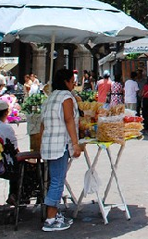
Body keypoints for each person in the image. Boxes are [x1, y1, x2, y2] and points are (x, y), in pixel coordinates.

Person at [40, 68, 82, 231]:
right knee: (57, 181)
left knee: (54, 179)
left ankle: (54, 213)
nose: (74, 83)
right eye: (72, 80)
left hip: (48, 144)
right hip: (59, 144)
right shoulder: (66, 97)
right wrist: (75, 143)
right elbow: (69, 120)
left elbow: (42, 123)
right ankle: (50, 219)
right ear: (66, 81)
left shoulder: (50, 97)